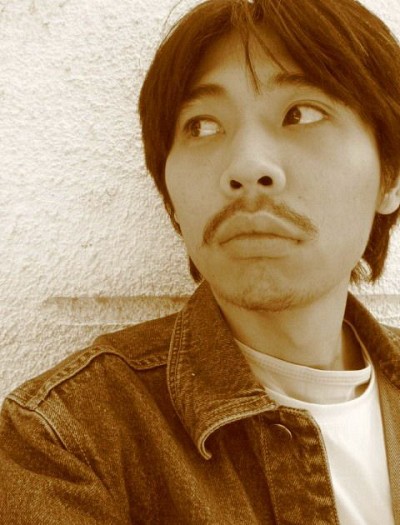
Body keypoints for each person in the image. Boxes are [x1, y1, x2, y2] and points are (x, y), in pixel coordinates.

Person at [1, 0, 400, 522]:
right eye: (203, 125)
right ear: (169, 195)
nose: (248, 167)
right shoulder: (66, 439)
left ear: (390, 175)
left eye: (301, 114)